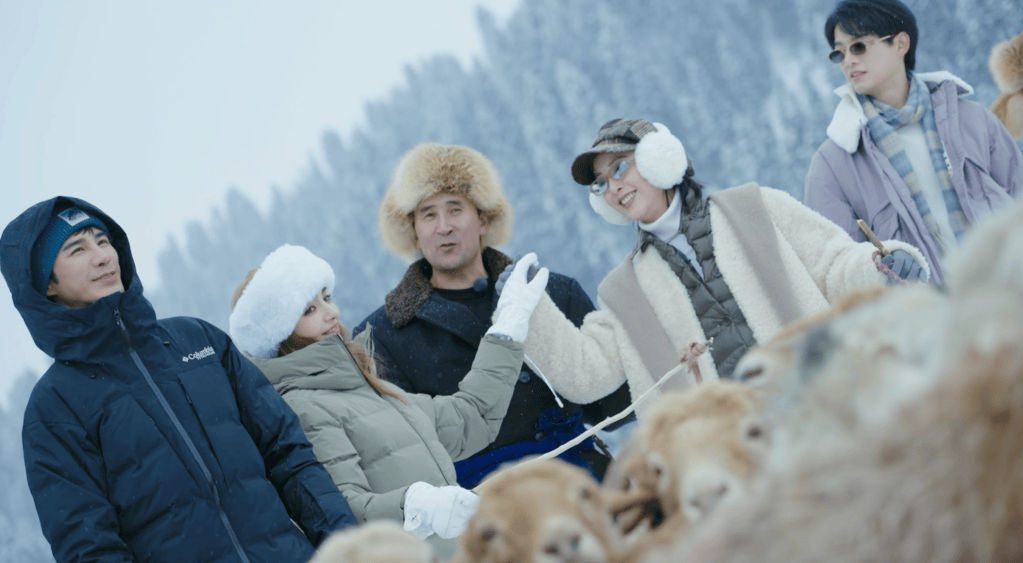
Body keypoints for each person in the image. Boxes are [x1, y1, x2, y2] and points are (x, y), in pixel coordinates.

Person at [0, 197, 357, 563]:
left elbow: (289, 455)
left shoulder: (199, 340)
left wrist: (349, 549)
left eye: (103, 241)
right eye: (78, 249)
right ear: (46, 284)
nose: (103, 256)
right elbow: (88, 546)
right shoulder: (54, 407)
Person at [514, 117, 930, 419]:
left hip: (831, 407)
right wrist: (526, 310)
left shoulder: (756, 207)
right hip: (736, 461)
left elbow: (835, 264)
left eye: (619, 167)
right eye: (601, 183)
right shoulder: (624, 290)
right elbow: (586, 374)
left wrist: (881, 264)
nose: (613, 187)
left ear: (659, 157)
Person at [227, 245, 547, 553]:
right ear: (280, 335)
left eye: (326, 298)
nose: (331, 313)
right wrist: (414, 506)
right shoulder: (304, 409)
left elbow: (471, 419)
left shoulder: (370, 389)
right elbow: (340, 517)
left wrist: (508, 325)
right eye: (309, 310)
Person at [354, 143, 632, 487]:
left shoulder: (554, 292)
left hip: (587, 486)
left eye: (455, 209)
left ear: (484, 218)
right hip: (483, 506)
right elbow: (401, 457)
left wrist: (639, 336)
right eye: (428, 214)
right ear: (413, 230)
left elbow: (614, 406)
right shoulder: (381, 337)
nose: (444, 227)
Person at [804, 0, 1023, 286]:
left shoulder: (973, 119)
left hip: (1010, 291)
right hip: (928, 309)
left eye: (858, 46)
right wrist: (876, 267)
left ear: (900, 44)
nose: (848, 61)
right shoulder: (832, 164)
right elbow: (831, 266)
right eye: (839, 53)